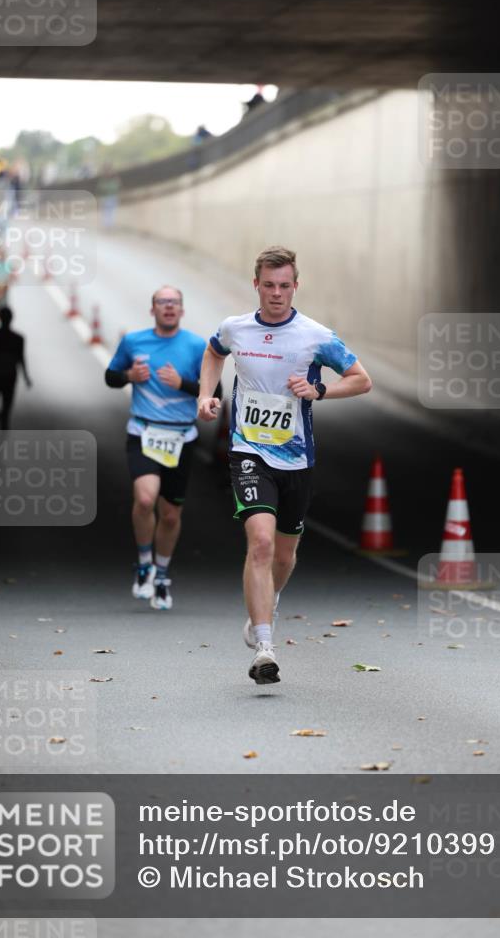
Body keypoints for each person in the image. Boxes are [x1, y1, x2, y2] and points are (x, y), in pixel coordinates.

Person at [198, 245, 372, 685]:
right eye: (269, 286)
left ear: (296, 286)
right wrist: (206, 394)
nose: (277, 294)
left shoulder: (316, 336)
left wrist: (320, 392)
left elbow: (362, 380)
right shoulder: (235, 329)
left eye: (285, 286)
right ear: (256, 285)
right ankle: (264, 646)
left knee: (284, 554)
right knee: (259, 542)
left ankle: (268, 602)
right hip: (249, 451)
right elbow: (213, 352)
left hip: (296, 460)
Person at [105, 285, 218, 611]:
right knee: (144, 498)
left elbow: (215, 390)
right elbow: (110, 377)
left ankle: (162, 575)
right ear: (152, 309)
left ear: (182, 310)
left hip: (180, 438)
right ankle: (144, 564)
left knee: (170, 515)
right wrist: (129, 374)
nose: (168, 308)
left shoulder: (198, 347)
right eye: (162, 303)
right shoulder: (133, 341)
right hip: (143, 430)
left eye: (174, 303)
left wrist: (182, 384)